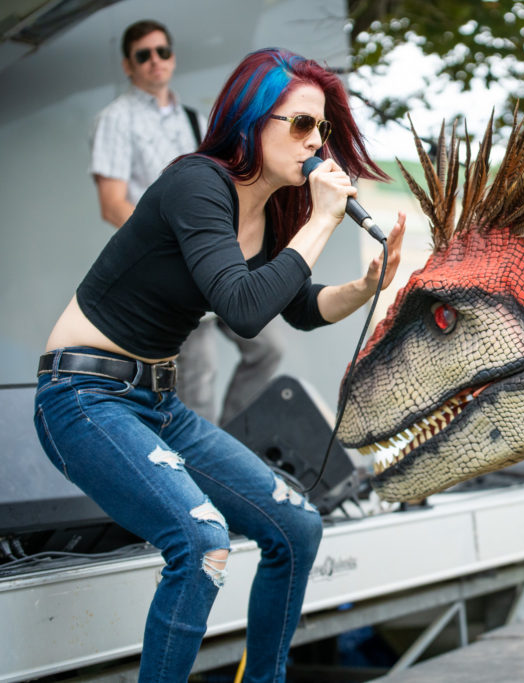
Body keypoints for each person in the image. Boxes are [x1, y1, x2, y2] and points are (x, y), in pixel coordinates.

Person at [36, 47, 406, 682]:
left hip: (157, 402)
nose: (316, 143)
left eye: (322, 128)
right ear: (250, 118)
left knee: (296, 527)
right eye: (301, 124)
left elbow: (298, 306)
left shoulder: (271, 210)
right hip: (83, 395)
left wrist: (365, 287)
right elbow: (240, 309)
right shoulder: (196, 184)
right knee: (202, 542)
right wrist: (321, 220)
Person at [90, 19, 285, 426]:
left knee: (268, 349)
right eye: (143, 55)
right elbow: (112, 205)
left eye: (162, 52)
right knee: (198, 383)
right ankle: (204, 479)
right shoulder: (116, 118)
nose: (155, 62)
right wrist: (180, 243)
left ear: (173, 58)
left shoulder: (196, 120)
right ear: (128, 65)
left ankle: (228, 444)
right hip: (172, 268)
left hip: (216, 259)